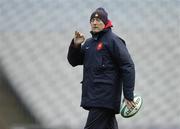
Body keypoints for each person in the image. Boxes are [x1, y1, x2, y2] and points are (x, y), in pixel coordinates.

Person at [67, 7, 136, 129]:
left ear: (105, 23)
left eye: (98, 20)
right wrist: (76, 45)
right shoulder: (89, 43)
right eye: (92, 20)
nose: (94, 22)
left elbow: (127, 66)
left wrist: (128, 94)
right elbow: (74, 61)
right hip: (95, 98)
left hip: (104, 98)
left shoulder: (113, 41)